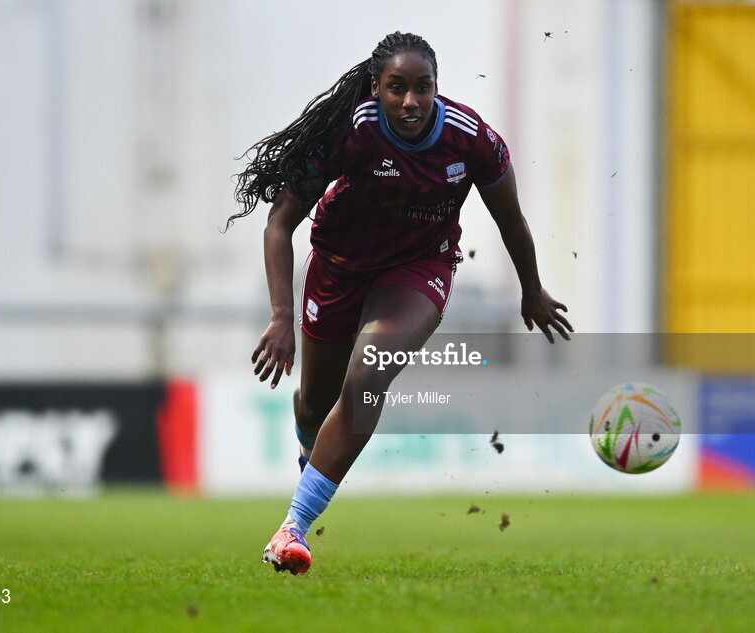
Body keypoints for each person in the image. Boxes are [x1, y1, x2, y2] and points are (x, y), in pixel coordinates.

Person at [229, 31, 572, 575]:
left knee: (367, 379)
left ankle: (292, 529)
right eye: (397, 88)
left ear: (437, 87)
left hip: (418, 271)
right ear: (376, 88)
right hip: (338, 271)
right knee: (315, 405)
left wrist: (532, 287)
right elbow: (279, 224)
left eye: (422, 88)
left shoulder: (473, 140)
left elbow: (512, 219)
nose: (411, 101)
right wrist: (280, 316)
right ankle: (312, 460)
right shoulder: (349, 132)